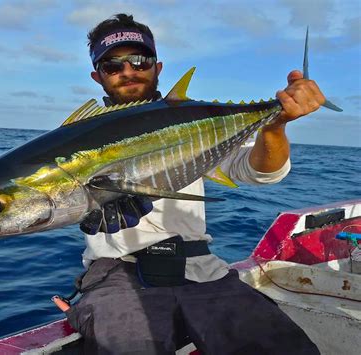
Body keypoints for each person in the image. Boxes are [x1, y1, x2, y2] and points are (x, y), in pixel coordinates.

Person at [65, 13, 324, 355]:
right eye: (113, 65)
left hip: (202, 269)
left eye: (139, 60)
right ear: (98, 76)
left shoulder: (197, 123)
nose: (128, 71)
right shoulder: (74, 139)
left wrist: (275, 126)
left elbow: (261, 172)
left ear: (157, 67)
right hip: (117, 273)